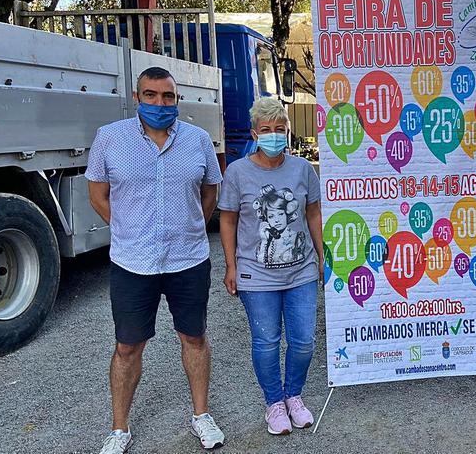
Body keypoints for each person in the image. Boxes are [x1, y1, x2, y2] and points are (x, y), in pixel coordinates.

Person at [86, 67, 225, 453]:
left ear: (177, 100)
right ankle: (119, 429)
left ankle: (201, 416)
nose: (160, 104)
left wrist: (192, 227)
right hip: (133, 263)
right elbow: (97, 195)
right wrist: (128, 228)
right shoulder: (110, 139)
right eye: (151, 95)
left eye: (168, 97)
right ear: (137, 97)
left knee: (194, 337)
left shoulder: (198, 140)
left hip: (188, 259)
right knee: (127, 346)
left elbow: (210, 192)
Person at [218, 97, 323, 436]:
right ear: (254, 133)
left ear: (288, 133)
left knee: (304, 340)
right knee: (266, 341)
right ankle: (274, 403)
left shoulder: (302, 170)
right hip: (256, 274)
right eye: (266, 130)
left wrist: (322, 256)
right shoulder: (237, 172)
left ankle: (294, 396)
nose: (274, 135)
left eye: (280, 129)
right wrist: (230, 265)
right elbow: (229, 221)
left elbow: (313, 214)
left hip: (301, 271)